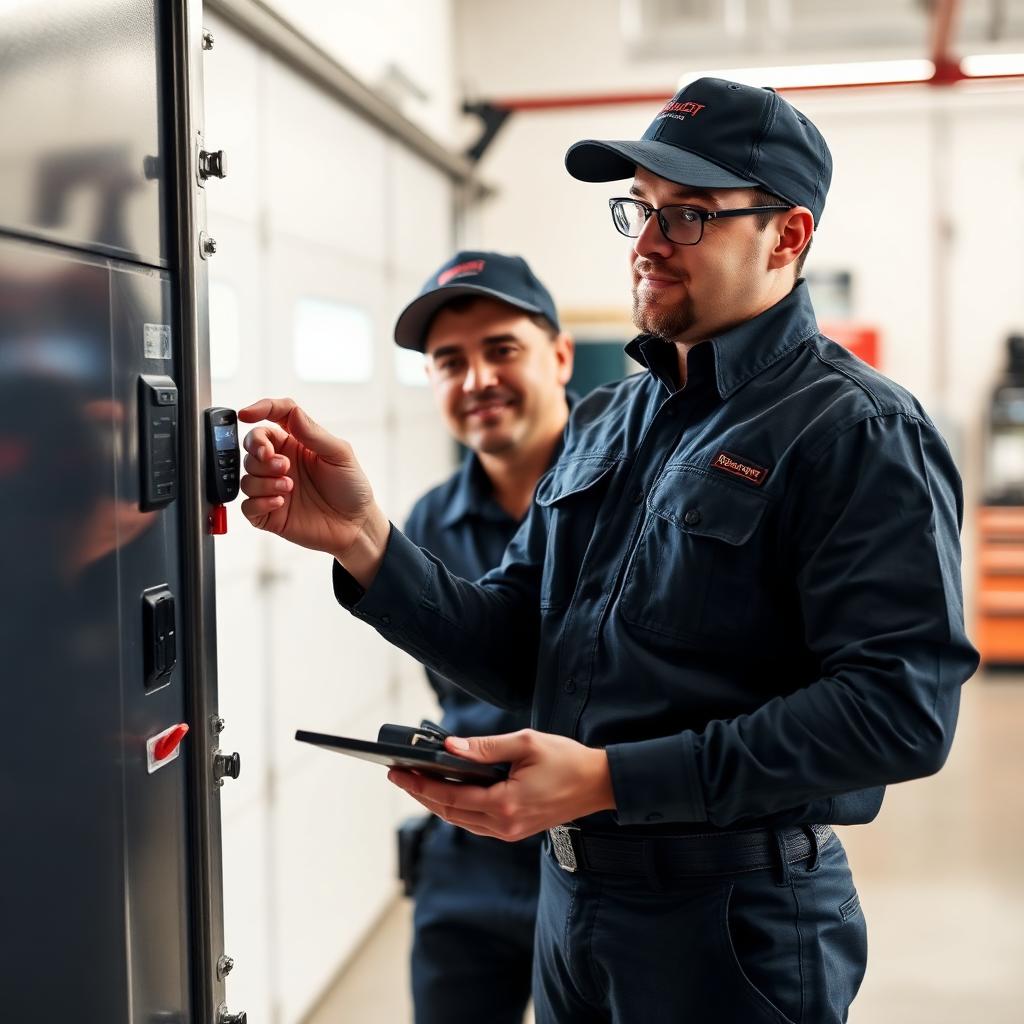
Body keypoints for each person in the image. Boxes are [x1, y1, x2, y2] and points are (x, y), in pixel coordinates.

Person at [237, 77, 979, 1023]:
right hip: (574, 905)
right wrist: (368, 541)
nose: (647, 242)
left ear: (787, 236)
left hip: (728, 925)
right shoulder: (609, 421)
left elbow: (898, 712)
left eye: (689, 216)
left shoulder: (857, 430)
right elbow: (517, 648)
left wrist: (610, 780)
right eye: (640, 209)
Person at [393, 251, 574, 1023]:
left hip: (602, 847)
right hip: (466, 859)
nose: (476, 381)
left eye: (502, 349)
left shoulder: (641, 493)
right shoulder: (429, 522)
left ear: (559, 355)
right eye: (449, 361)